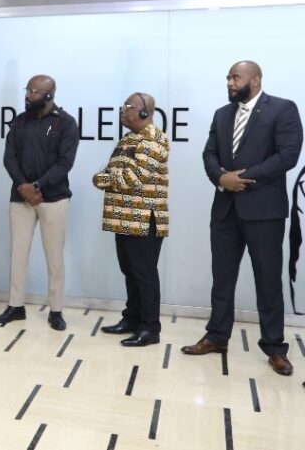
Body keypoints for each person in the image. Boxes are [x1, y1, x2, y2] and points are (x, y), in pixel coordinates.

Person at [182, 60, 303, 376]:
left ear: (256, 79)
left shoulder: (282, 109)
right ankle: (217, 336)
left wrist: (244, 177)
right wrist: (221, 178)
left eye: (236, 77)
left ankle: (275, 348)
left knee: (268, 282)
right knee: (222, 278)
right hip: (225, 210)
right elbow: (209, 153)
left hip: (264, 212)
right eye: (228, 77)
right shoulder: (222, 115)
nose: (230, 82)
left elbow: (287, 156)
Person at [0, 75, 79, 331]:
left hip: (53, 199)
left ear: (49, 95)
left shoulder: (66, 123)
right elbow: (9, 158)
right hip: (20, 198)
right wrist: (24, 186)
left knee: (54, 257)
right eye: (27, 90)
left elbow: (65, 163)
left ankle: (56, 310)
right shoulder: (19, 121)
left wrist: (38, 186)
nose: (28, 95)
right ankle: (15, 306)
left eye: (34, 91)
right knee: (18, 253)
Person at [93, 93, 169, 347]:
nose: (122, 111)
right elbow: (115, 170)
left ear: (145, 113)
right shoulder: (129, 138)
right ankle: (132, 318)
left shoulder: (154, 140)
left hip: (143, 220)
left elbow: (131, 178)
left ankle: (150, 328)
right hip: (123, 218)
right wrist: (109, 175)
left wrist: (102, 179)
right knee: (130, 272)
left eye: (128, 107)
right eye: (123, 106)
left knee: (144, 274)